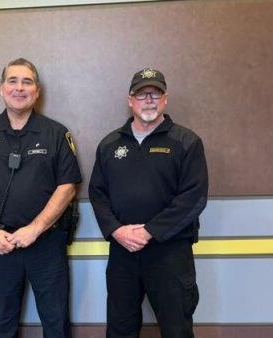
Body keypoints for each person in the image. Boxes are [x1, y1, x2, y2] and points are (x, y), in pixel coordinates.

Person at [0, 58, 82, 338]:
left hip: (46, 244)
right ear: (2, 88)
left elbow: (67, 187)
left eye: (27, 82)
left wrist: (35, 229)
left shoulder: (56, 133)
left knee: (56, 320)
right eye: (13, 80)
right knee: (1, 324)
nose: (19, 87)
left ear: (37, 91)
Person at [88, 68, 208, 338]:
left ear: (165, 99)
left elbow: (194, 197)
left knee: (177, 328)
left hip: (170, 252)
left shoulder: (186, 142)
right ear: (130, 100)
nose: (149, 100)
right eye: (141, 95)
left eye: (155, 93)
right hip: (122, 251)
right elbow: (97, 193)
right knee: (120, 328)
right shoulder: (110, 144)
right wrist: (117, 231)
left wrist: (149, 231)